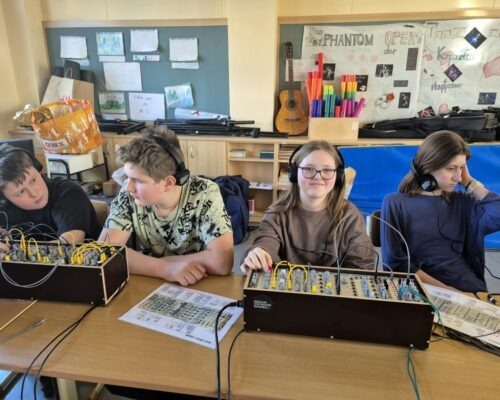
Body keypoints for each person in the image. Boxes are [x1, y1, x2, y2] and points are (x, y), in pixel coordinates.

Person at [99, 126, 233, 286]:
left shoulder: (204, 192)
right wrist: (165, 269)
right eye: (128, 177)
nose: (128, 187)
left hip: (196, 280)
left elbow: (222, 262)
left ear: (168, 183)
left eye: (138, 181)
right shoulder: (129, 194)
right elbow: (105, 252)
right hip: (152, 279)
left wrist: (145, 262)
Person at [381, 130, 500, 293]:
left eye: (462, 168)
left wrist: (469, 182)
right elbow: (395, 263)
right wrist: (448, 292)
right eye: (451, 168)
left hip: (468, 289)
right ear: (428, 166)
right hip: (422, 289)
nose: (458, 177)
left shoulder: (463, 202)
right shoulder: (395, 203)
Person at [240, 140, 373, 272]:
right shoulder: (276, 213)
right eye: (308, 169)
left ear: (338, 176)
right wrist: (258, 254)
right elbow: (265, 243)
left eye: (327, 170)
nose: (318, 177)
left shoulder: (350, 216)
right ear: (294, 174)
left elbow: (362, 265)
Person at [0, 144, 99, 251]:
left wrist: (19, 252)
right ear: (4, 199)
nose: (34, 193)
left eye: (33, 180)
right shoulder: (3, 209)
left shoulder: (68, 192)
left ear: (38, 170)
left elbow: (70, 242)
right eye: (21, 192)